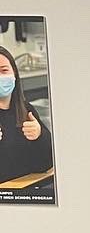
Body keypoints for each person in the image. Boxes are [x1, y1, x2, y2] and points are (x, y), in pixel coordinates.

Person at [0, 43, 53, 182]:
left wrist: (39, 136)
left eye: (4, 70)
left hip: (26, 187)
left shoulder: (26, 110)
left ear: (14, 74)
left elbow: (45, 164)